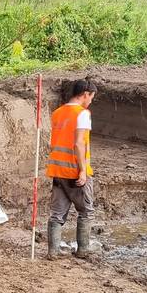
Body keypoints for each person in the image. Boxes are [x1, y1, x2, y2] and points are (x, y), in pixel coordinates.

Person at [45, 79, 98, 259]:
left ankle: (53, 251)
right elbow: (78, 144)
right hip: (74, 172)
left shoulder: (58, 113)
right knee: (86, 211)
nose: (91, 101)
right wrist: (83, 170)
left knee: (57, 214)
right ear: (85, 94)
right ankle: (83, 249)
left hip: (57, 170)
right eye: (91, 97)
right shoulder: (82, 114)